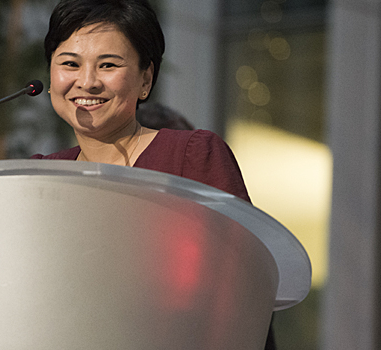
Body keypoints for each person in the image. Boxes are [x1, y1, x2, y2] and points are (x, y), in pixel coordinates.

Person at [32, 0, 275, 348]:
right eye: (70, 64)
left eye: (108, 65)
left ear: (145, 79)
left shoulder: (190, 155)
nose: (86, 82)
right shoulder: (42, 173)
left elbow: (244, 283)